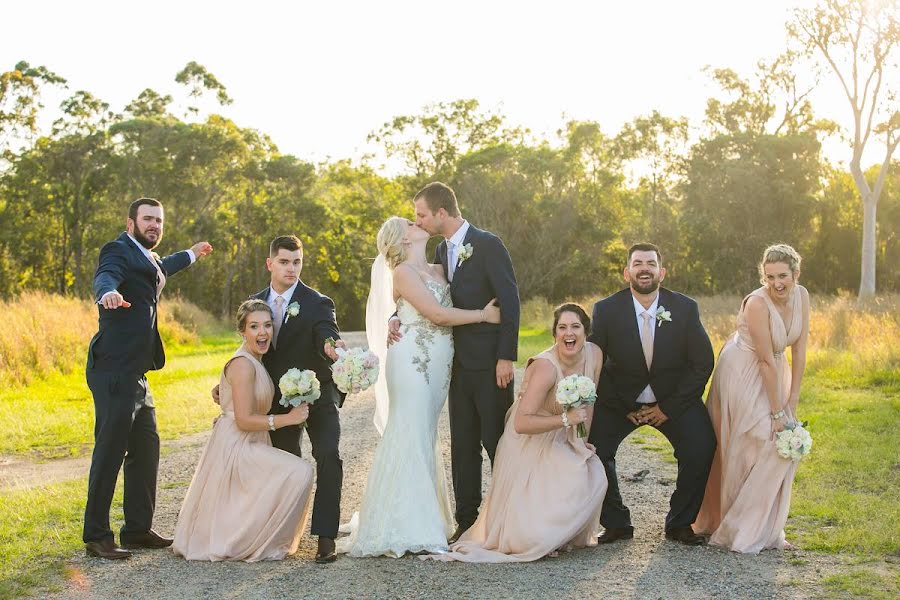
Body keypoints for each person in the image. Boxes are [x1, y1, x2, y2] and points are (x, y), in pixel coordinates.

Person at [338, 216, 501, 557]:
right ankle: (405, 524)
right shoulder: (402, 274)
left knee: (425, 432)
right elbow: (438, 315)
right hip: (411, 360)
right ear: (403, 239)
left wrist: (393, 315)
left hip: (441, 364)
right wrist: (483, 316)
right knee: (408, 429)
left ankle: (426, 516)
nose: (418, 223)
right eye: (411, 223)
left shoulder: (441, 267)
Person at [389, 182, 520, 543]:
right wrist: (393, 316)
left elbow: (510, 301)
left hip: (491, 364)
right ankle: (467, 521)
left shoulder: (489, 244)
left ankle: (513, 516)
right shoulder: (443, 253)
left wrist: (506, 357)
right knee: (462, 445)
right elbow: (420, 298)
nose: (419, 221)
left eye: (421, 215)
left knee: (498, 442)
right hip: (453, 367)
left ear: (441, 213)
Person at [84, 197, 212, 559]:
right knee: (109, 452)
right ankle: (96, 535)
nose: (154, 225)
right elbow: (106, 274)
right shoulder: (118, 249)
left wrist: (191, 252)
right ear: (131, 223)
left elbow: (164, 266)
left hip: (137, 372)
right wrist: (107, 293)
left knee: (146, 450)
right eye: (148, 219)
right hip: (113, 368)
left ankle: (137, 530)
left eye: (159, 220)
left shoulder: (148, 256)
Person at [428, 304, 607, 562]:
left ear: (586, 332)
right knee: (529, 535)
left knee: (592, 473)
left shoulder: (595, 355)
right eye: (562, 327)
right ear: (554, 334)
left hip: (561, 431)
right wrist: (566, 419)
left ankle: (559, 532)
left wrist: (581, 442)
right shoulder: (546, 367)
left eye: (576, 326)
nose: (569, 333)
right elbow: (522, 423)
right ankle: (542, 535)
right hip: (529, 440)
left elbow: (588, 404)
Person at [587, 243, 716, 546]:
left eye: (650, 263)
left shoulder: (685, 308)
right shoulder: (605, 309)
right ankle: (616, 523)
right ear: (627, 271)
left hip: (673, 401)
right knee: (593, 448)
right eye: (637, 263)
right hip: (622, 401)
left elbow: (702, 363)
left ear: (662, 271)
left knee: (701, 446)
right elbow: (596, 364)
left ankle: (680, 523)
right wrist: (623, 408)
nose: (644, 268)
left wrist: (668, 408)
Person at [172, 300, 314, 561]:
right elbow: (244, 420)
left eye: (267, 326)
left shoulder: (255, 360)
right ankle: (252, 541)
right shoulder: (243, 364)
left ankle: (250, 534)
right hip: (238, 445)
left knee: (290, 473)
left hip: (250, 440)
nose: (262, 333)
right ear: (242, 331)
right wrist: (289, 419)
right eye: (254, 326)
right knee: (300, 471)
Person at [694, 244, 810, 553]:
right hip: (744, 371)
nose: (777, 284)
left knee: (783, 442)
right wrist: (776, 413)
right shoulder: (757, 304)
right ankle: (737, 525)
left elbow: (798, 351)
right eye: (770, 277)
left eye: (783, 276)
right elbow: (764, 362)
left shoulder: (802, 297)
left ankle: (770, 529)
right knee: (756, 440)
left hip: (775, 371)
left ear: (796, 274)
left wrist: (792, 404)